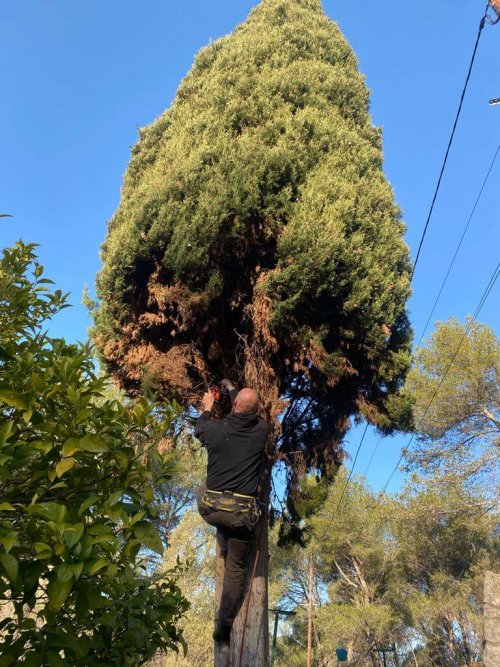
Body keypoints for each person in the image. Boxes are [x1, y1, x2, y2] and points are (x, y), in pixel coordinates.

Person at [194, 379, 269, 643]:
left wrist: (207, 406)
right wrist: (232, 390)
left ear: (234, 405)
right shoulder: (262, 430)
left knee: (200, 488)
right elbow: (243, 413)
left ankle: (221, 532)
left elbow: (200, 428)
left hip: (212, 509)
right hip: (241, 517)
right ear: (256, 410)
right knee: (236, 569)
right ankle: (223, 627)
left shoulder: (214, 430)